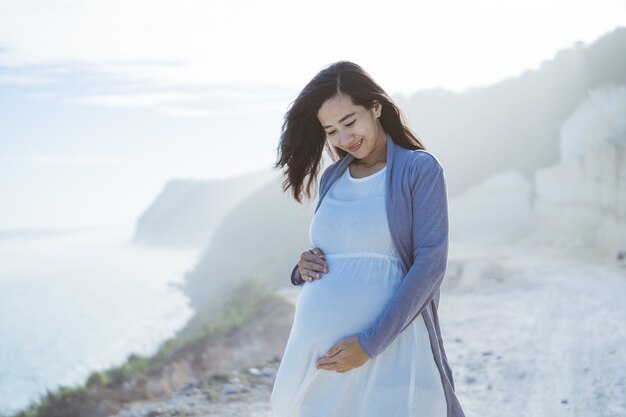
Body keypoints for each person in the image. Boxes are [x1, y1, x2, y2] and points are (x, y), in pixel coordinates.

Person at [271, 61, 466, 417]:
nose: (344, 139)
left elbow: (430, 264)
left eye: (349, 122)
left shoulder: (419, 169)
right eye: (331, 131)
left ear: (375, 107)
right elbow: (341, 251)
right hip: (319, 357)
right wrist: (304, 267)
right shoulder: (332, 177)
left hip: (388, 351)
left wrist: (370, 343)